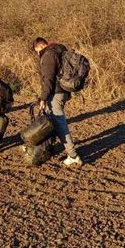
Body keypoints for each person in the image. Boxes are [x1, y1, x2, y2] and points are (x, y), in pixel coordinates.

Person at [33, 37, 83, 167]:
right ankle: (49, 147)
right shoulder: (60, 49)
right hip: (64, 92)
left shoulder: (48, 55)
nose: (37, 54)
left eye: (36, 50)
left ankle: (73, 156)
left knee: (59, 123)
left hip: (55, 93)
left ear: (40, 46)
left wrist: (43, 98)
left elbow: (48, 80)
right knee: (52, 121)